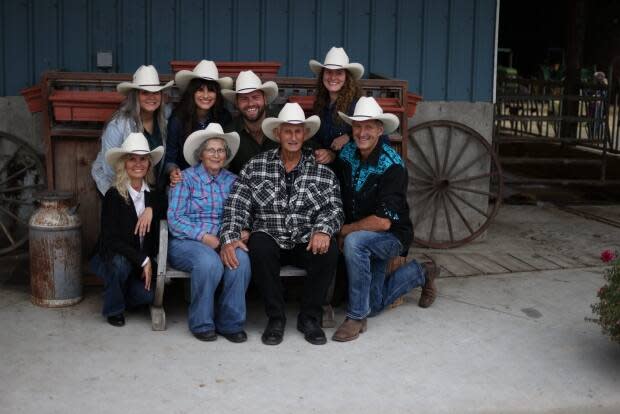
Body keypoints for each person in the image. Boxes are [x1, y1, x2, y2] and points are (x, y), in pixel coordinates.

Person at [220, 103, 344, 346]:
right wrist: (230, 236)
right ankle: (275, 318)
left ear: (305, 135)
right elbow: (237, 205)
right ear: (278, 134)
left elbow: (335, 208)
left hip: (305, 239)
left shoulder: (323, 171)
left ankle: (310, 318)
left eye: (298, 132)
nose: (293, 137)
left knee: (329, 250)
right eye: (288, 131)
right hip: (271, 235)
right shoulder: (256, 166)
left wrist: (323, 230)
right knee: (259, 244)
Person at [332, 97, 440, 342]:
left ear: (380, 130)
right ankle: (422, 272)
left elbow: (382, 222)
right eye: (357, 126)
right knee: (375, 304)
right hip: (361, 234)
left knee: (354, 243)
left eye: (369, 127)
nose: (362, 132)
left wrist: (345, 230)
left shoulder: (393, 166)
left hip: (391, 236)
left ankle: (356, 317)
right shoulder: (348, 154)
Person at [167, 123, 251, 343]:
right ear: (200, 155)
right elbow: (175, 219)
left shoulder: (234, 181)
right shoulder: (185, 179)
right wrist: (205, 238)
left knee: (240, 260)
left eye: (221, 150)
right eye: (211, 150)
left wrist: (243, 231)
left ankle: (230, 323)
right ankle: (202, 322)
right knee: (208, 263)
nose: (216, 154)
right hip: (188, 241)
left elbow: (244, 213)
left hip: (225, 239)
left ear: (227, 155)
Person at [89, 132, 165, 327]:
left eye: (142, 159)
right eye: (132, 159)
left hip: (137, 261)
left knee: (147, 296)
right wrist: (143, 260)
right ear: (124, 163)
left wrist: (151, 209)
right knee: (120, 264)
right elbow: (110, 239)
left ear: (149, 163)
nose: (138, 164)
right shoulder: (114, 195)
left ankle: (118, 292)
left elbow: (164, 206)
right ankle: (114, 309)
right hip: (111, 257)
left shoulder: (154, 194)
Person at [91, 65, 172, 196]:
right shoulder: (118, 125)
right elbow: (109, 168)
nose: (151, 97)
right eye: (145, 92)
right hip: (117, 188)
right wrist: (128, 200)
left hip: (149, 189)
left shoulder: (164, 120)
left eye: (156, 92)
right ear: (135, 96)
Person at [165, 60, 233, 185]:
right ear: (192, 92)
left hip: (217, 177)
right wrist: (173, 172)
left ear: (217, 94)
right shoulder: (178, 119)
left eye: (211, 90)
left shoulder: (224, 117)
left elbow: (228, 154)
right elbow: (170, 158)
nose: (206, 95)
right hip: (186, 179)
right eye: (200, 90)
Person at [308, 46, 363, 164]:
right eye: (328, 72)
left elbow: (374, 135)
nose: (333, 77)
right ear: (323, 75)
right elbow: (315, 137)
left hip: (351, 167)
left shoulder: (357, 105)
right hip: (325, 165)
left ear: (347, 78)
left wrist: (349, 136)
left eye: (339, 73)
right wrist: (321, 152)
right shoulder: (320, 103)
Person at [221, 70, 280, 174]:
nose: (251, 103)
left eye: (255, 97)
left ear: (265, 99)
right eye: (244, 99)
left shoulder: (281, 123)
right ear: (236, 103)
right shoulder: (229, 134)